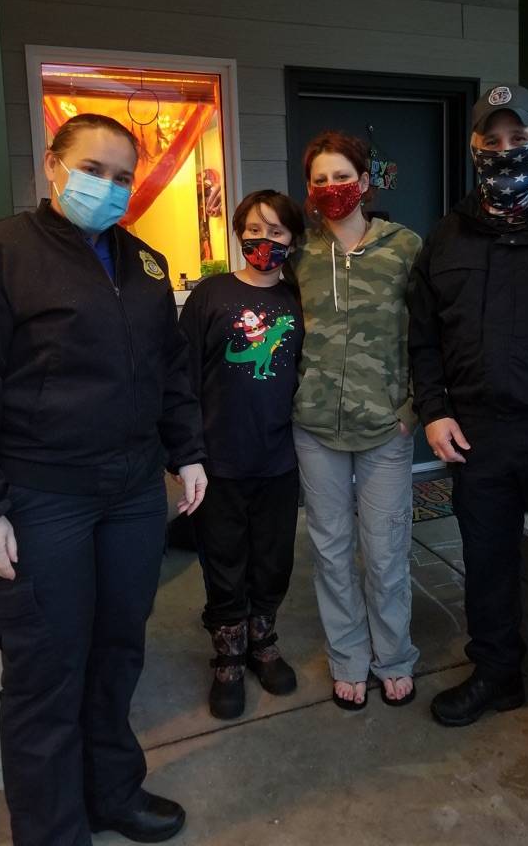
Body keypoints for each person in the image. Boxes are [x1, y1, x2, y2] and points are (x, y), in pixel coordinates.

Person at [0, 114, 207, 846]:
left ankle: (111, 794)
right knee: (46, 673)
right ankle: (52, 831)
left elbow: (168, 372)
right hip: (38, 499)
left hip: (128, 496)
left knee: (118, 650)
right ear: (54, 167)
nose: (110, 187)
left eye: (124, 176)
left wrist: (186, 452)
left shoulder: (145, 265)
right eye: (95, 169)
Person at [408, 84, 528, 776]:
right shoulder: (450, 232)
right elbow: (423, 335)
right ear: (473, 148)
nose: (504, 150)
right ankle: (496, 673)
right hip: (476, 434)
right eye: (491, 140)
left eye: (518, 138)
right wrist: (432, 409)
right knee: (485, 563)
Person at [291, 130, 421, 710]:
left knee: (387, 549)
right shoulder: (298, 250)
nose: (332, 188)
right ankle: (348, 657)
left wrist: (413, 406)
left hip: (384, 425)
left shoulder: (405, 247)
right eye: (320, 179)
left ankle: (393, 656)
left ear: (364, 183)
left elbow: (430, 330)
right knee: (331, 548)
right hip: (315, 423)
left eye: (342, 177)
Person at [178, 190, 305, 720]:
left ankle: (262, 642)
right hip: (219, 463)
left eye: (277, 231)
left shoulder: (298, 301)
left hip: (279, 459)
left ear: (293, 240)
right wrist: (188, 453)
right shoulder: (211, 296)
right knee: (224, 562)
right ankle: (227, 656)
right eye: (255, 229)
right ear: (237, 231)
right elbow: (179, 379)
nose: (264, 240)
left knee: (273, 559)